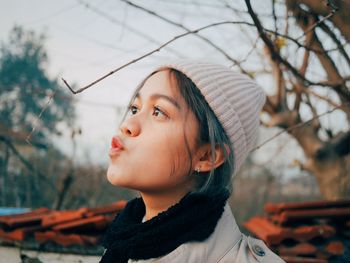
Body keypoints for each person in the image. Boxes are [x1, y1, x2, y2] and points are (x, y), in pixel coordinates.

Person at [100, 60, 285, 263]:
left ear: (207, 157)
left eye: (158, 112)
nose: (127, 125)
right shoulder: (122, 245)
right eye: (135, 108)